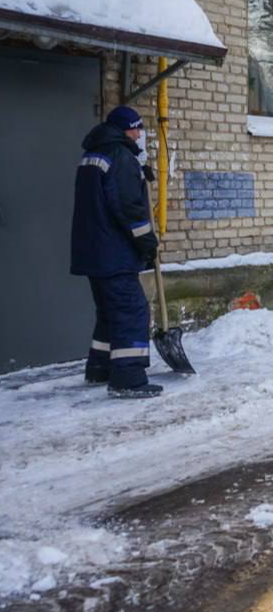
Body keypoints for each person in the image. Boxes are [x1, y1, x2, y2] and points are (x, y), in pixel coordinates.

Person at [71, 106, 163, 398]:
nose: (138, 134)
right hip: (114, 252)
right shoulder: (120, 155)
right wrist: (147, 242)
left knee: (109, 314)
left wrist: (137, 173)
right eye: (135, 129)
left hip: (93, 251)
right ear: (123, 129)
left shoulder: (94, 154)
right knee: (131, 310)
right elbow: (129, 209)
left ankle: (100, 369)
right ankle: (128, 378)